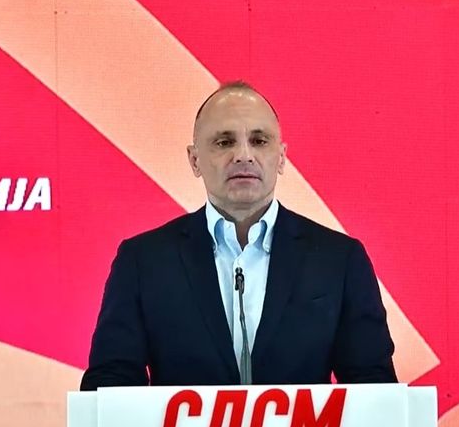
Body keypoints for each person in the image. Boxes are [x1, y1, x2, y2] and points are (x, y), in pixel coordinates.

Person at [80, 81, 397, 390]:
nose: (244, 155)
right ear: (194, 160)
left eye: (259, 141)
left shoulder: (339, 260)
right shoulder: (143, 261)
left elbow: (375, 389)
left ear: (281, 157)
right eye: (224, 142)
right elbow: (108, 386)